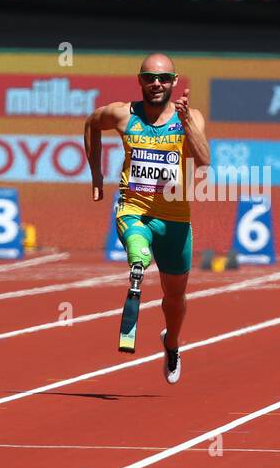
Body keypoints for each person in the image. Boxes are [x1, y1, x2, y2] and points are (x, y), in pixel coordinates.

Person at [83, 54, 210, 384]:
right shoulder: (122, 114)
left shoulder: (190, 116)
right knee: (137, 249)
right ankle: (137, 266)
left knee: (176, 299)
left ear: (174, 80)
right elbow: (91, 123)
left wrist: (185, 125)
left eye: (165, 78)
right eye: (151, 78)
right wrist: (96, 176)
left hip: (175, 221)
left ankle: (171, 342)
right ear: (139, 80)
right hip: (133, 209)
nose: (157, 84)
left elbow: (205, 161)